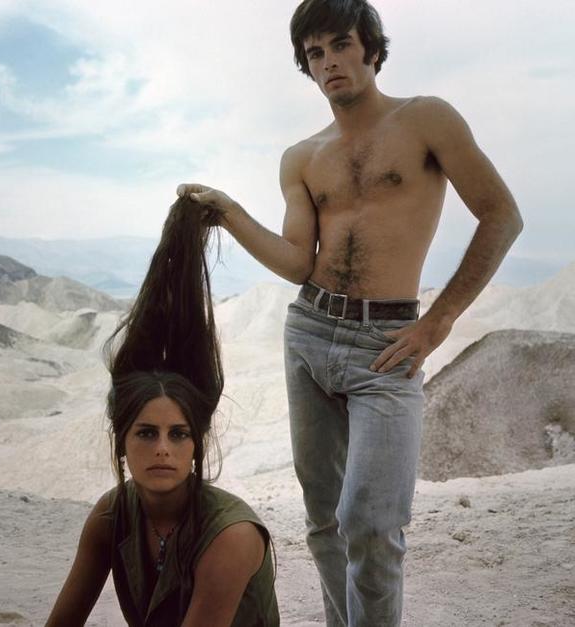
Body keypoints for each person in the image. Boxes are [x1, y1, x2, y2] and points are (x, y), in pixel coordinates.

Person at [177, 1, 523, 625]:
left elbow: (502, 215)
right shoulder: (301, 156)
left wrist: (438, 321)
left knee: (371, 523)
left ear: (372, 50)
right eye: (315, 53)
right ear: (306, 67)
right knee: (323, 519)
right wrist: (227, 211)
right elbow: (296, 262)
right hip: (310, 333)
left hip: (387, 342)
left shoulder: (427, 119)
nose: (329, 61)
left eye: (341, 44)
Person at [46, 197, 280, 627]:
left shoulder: (231, 535)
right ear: (121, 441)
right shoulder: (111, 516)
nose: (163, 449)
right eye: (146, 432)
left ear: (196, 445)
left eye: (179, 434)